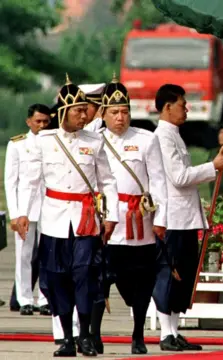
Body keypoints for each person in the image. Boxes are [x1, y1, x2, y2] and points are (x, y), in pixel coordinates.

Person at [17, 74, 119, 357]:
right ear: (63, 112)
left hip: (86, 219)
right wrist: (22, 213)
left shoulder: (95, 142)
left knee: (85, 275)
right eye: (78, 111)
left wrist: (111, 216)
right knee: (56, 278)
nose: (84, 116)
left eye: (85, 110)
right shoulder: (45, 141)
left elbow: (107, 181)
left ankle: (85, 334)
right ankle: (66, 339)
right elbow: (30, 180)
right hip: (54, 220)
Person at [89, 76, 168, 355]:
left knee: (141, 282)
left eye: (124, 112)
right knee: (100, 279)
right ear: (103, 114)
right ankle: (93, 335)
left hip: (139, 223)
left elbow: (158, 181)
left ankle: (137, 336)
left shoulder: (146, 140)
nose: (120, 118)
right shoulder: (94, 140)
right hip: (107, 222)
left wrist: (161, 220)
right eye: (114, 112)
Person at [153, 84, 223, 351]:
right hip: (172, 217)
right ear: (167, 107)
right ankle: (165, 333)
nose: (187, 109)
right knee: (170, 273)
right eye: (182, 104)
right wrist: (212, 167)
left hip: (185, 217)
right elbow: (179, 177)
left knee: (183, 275)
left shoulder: (174, 135)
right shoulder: (162, 137)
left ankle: (173, 330)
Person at [4, 104, 51, 316]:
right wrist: (14, 214)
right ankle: (24, 299)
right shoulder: (18, 145)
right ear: (28, 121)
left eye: (46, 121)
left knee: (47, 254)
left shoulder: (54, 142)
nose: (42, 125)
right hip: (26, 207)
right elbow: (10, 182)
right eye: (38, 121)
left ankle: (44, 298)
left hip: (50, 206)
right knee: (23, 255)